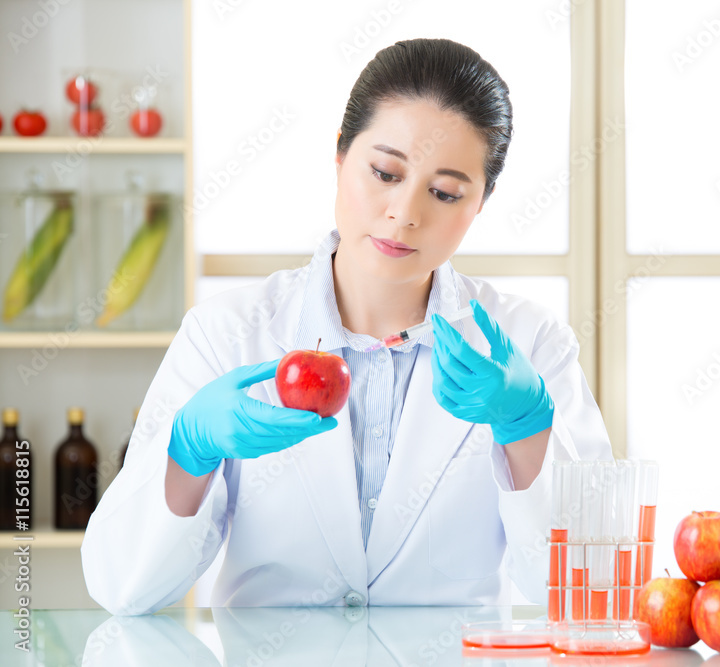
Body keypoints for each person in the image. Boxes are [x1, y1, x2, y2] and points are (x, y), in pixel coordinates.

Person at [81, 38, 613, 615]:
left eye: (445, 192)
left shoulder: (529, 345)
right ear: (339, 157)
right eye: (385, 172)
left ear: (481, 201)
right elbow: (122, 589)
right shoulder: (226, 334)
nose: (405, 212)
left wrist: (528, 430)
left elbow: (591, 592)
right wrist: (187, 455)